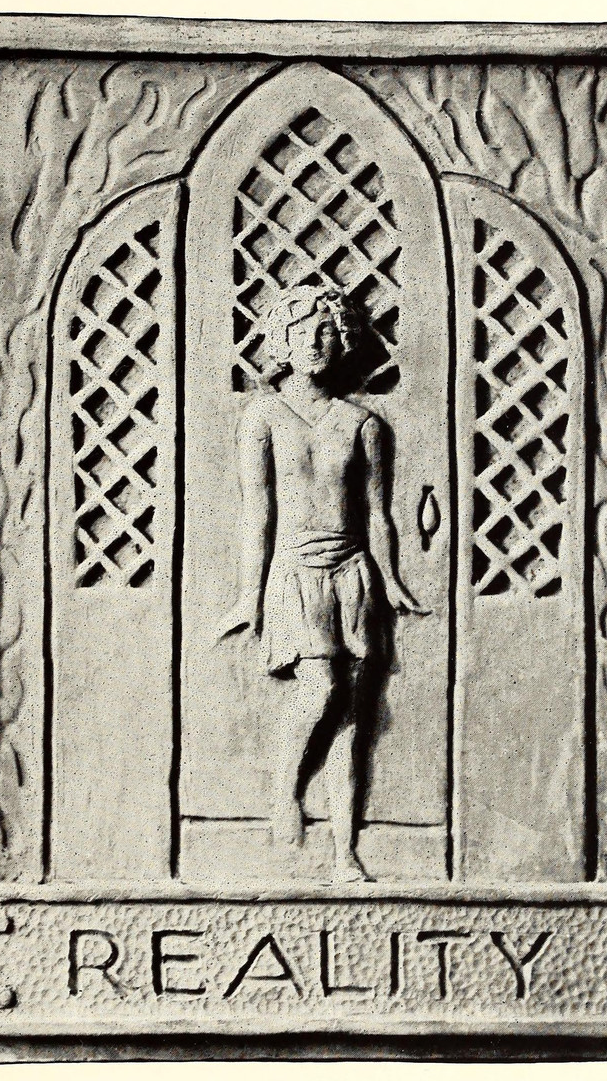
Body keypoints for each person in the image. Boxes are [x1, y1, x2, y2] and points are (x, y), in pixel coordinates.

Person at [217, 284, 426, 882]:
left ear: (345, 342)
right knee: (320, 689)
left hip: (351, 572)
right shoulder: (263, 417)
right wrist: (248, 594)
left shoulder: (363, 424)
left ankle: (343, 852)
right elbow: (256, 512)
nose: (315, 342)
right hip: (295, 571)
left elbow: (378, 513)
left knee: (352, 718)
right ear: (281, 342)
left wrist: (391, 578)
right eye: (301, 331)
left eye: (327, 331)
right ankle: (284, 791)